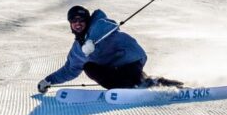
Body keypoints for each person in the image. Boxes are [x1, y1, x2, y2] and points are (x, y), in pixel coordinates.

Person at [37, 6, 182, 93]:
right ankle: (148, 82)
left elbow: (108, 26)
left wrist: (91, 40)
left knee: (134, 79)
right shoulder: (78, 48)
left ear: (87, 21)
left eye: (81, 20)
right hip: (115, 70)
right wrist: (49, 80)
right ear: (70, 24)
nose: (78, 24)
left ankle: (171, 85)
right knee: (88, 67)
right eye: (74, 21)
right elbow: (70, 69)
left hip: (130, 60)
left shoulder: (99, 25)